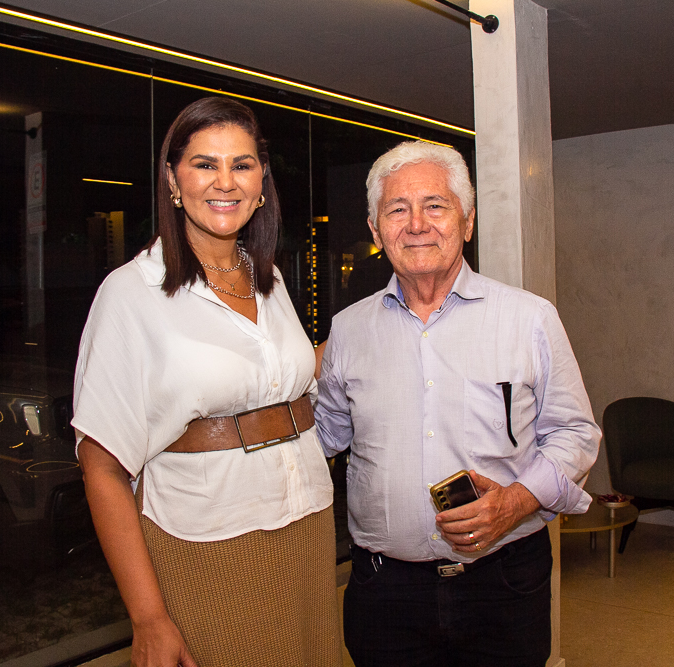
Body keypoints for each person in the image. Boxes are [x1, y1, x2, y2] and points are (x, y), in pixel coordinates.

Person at [72, 97, 341, 667]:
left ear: (261, 183)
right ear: (173, 181)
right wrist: (148, 618)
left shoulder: (269, 278)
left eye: (242, 165)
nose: (226, 181)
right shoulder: (130, 293)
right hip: (208, 542)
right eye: (204, 164)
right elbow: (102, 467)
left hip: (308, 524)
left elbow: (282, 387)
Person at [315, 141, 600, 667]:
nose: (416, 224)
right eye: (397, 210)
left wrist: (516, 502)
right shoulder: (349, 331)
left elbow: (575, 435)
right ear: (376, 231)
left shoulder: (529, 319)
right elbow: (324, 435)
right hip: (385, 595)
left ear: (467, 222)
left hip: (504, 584)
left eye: (435, 205)